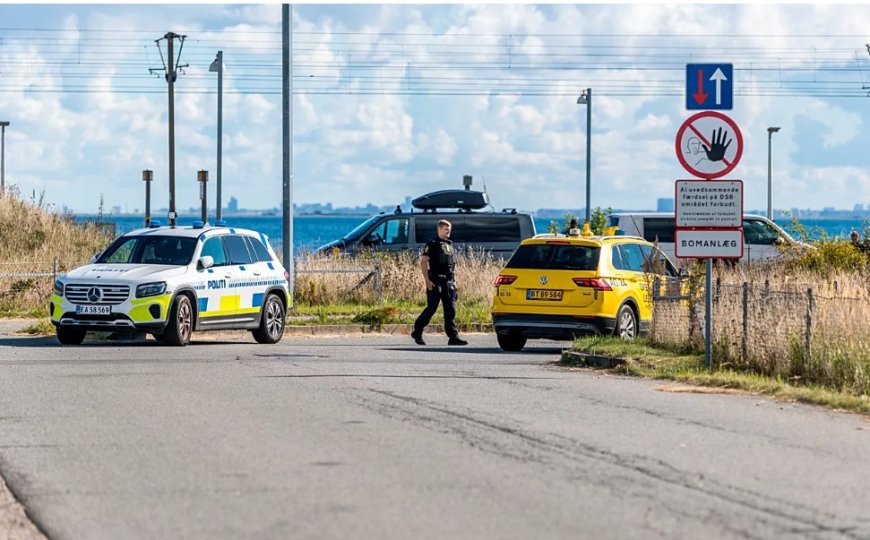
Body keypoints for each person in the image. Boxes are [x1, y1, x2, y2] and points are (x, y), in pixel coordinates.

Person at [411, 220, 467, 346]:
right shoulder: (432, 244)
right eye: (446, 229)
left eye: (450, 229)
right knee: (431, 309)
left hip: (449, 282)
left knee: (451, 310)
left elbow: (451, 266)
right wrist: (427, 280)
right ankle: (418, 330)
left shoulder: (449, 245)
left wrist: (454, 282)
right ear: (439, 229)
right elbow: (424, 262)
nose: (449, 232)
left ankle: (453, 337)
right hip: (435, 281)